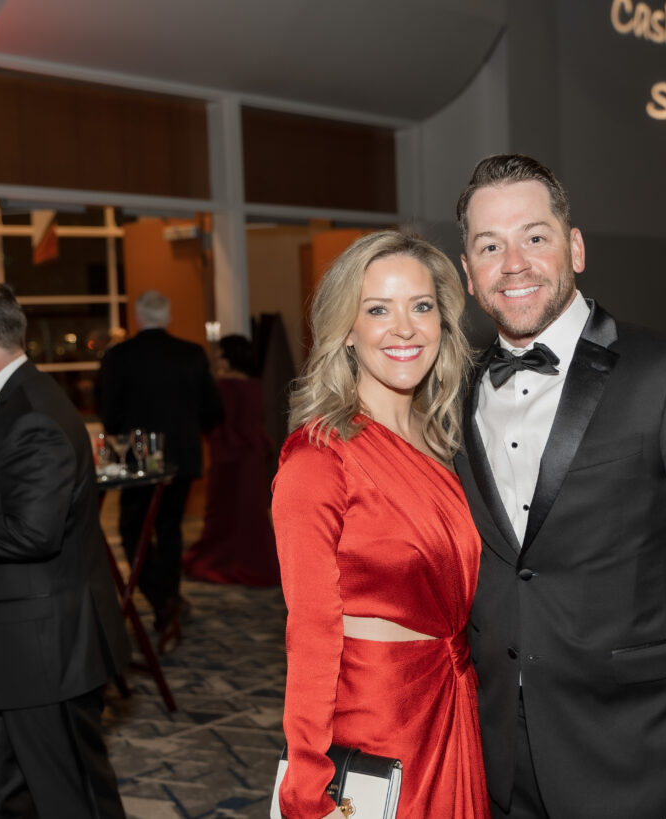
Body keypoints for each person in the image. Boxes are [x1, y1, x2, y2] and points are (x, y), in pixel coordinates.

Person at [453, 155, 666, 819]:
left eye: (535, 236)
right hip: (496, 748)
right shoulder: (454, 391)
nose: (513, 262)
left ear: (575, 248)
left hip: (641, 747)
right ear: (468, 272)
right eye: (489, 245)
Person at [270, 231, 489, 818]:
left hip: (457, 699)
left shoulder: (451, 444)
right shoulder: (317, 460)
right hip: (379, 722)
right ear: (346, 329)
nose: (404, 328)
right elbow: (311, 635)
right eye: (377, 309)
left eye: (421, 306)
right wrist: (305, 788)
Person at [0, 278, 129, 818]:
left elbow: (32, 533)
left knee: (71, 798)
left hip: (43, 652)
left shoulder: (31, 413)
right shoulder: (4, 406)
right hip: (10, 651)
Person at [96, 290, 224, 647]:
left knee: (132, 530)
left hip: (138, 460)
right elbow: (213, 410)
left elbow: (110, 414)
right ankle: (168, 599)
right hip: (180, 457)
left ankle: (161, 598)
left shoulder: (119, 356)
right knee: (170, 530)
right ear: (167, 318)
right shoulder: (191, 354)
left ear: (138, 318)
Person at [183, 334, 280, 586]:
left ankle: (224, 562)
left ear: (227, 358)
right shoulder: (254, 384)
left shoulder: (224, 387)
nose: (216, 360)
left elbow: (220, 425)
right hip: (252, 458)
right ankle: (258, 564)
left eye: (219, 355)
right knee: (251, 512)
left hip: (230, 457)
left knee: (223, 512)